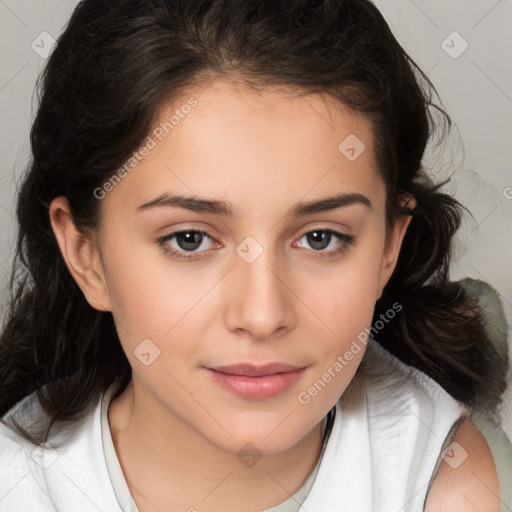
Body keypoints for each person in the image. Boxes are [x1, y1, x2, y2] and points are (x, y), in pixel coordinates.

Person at [0, 0, 510, 510]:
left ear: (388, 249)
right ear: (86, 255)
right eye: (189, 239)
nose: (262, 316)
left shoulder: (445, 483)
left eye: (320, 238)